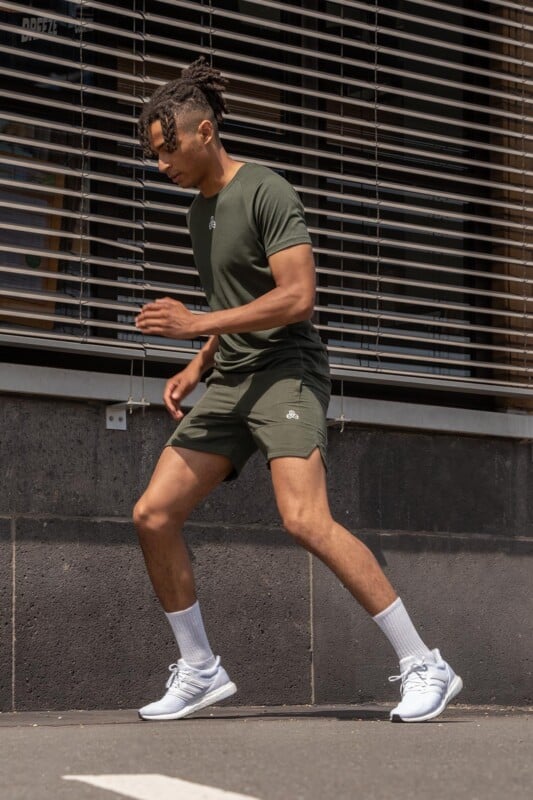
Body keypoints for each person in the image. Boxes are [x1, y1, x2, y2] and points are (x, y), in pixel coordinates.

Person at [134, 56, 462, 723]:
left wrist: (197, 324)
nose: (160, 163)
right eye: (154, 153)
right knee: (153, 514)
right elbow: (238, 300)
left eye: (168, 149)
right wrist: (201, 361)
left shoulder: (266, 190)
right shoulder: (198, 213)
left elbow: (297, 297)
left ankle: (424, 663)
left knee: (304, 519)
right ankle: (200, 669)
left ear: (204, 133)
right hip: (233, 377)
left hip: (286, 370)